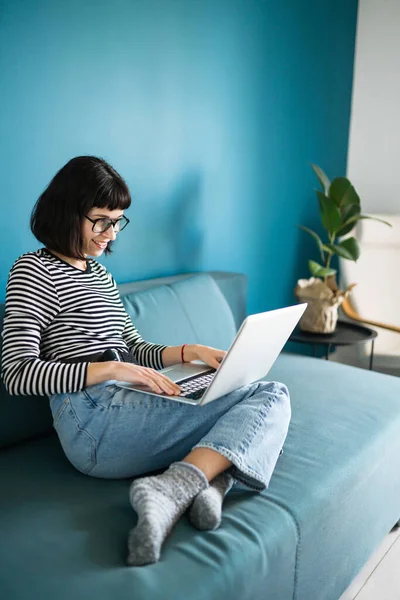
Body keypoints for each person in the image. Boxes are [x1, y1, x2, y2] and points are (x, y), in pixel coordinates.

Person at [1, 156, 292, 567]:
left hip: (126, 400)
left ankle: (194, 482)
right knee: (268, 397)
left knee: (259, 392)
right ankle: (198, 481)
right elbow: (17, 373)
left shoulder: (100, 275)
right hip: (90, 419)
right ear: (67, 211)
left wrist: (191, 352)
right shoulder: (33, 270)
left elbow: (132, 345)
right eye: (101, 220)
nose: (110, 233)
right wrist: (112, 369)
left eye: (118, 221)